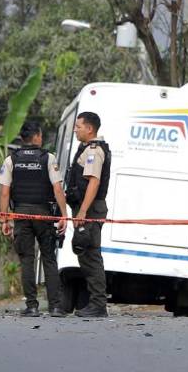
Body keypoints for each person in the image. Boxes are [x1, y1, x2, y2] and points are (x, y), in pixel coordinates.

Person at [0, 121, 68, 318]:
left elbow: (4, 193)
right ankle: (55, 307)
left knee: (27, 260)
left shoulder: (11, 159)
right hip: (44, 215)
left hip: (21, 215)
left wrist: (4, 220)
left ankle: (32, 307)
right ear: (36, 136)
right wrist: (63, 215)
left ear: (22, 138)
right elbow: (57, 189)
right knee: (49, 259)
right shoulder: (49, 158)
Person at [65, 112, 111, 317]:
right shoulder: (87, 149)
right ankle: (95, 303)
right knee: (86, 254)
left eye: (79, 126)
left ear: (90, 129)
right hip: (86, 208)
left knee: (91, 256)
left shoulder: (94, 150)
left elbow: (94, 181)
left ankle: (98, 305)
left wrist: (83, 210)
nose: (76, 129)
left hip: (90, 209)